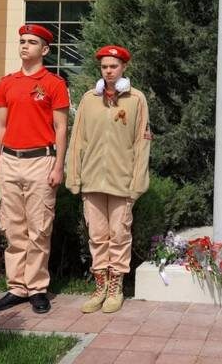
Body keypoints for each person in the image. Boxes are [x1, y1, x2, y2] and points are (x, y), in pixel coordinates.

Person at [0, 24, 69, 314]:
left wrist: (58, 166)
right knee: (12, 228)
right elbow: (0, 125)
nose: (24, 46)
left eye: (32, 42)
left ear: (44, 50)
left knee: (39, 228)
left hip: (40, 161)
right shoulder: (7, 82)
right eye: (22, 41)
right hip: (10, 161)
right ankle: (16, 288)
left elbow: (61, 128)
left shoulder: (54, 84)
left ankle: (36, 288)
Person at [66, 45, 151, 314]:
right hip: (92, 181)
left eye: (113, 66)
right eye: (104, 67)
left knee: (119, 235)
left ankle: (116, 288)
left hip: (121, 182)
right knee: (97, 236)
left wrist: (138, 182)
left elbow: (142, 143)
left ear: (124, 67)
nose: (109, 71)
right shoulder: (90, 99)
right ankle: (100, 287)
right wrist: (74, 176)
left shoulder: (136, 99)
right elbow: (77, 140)